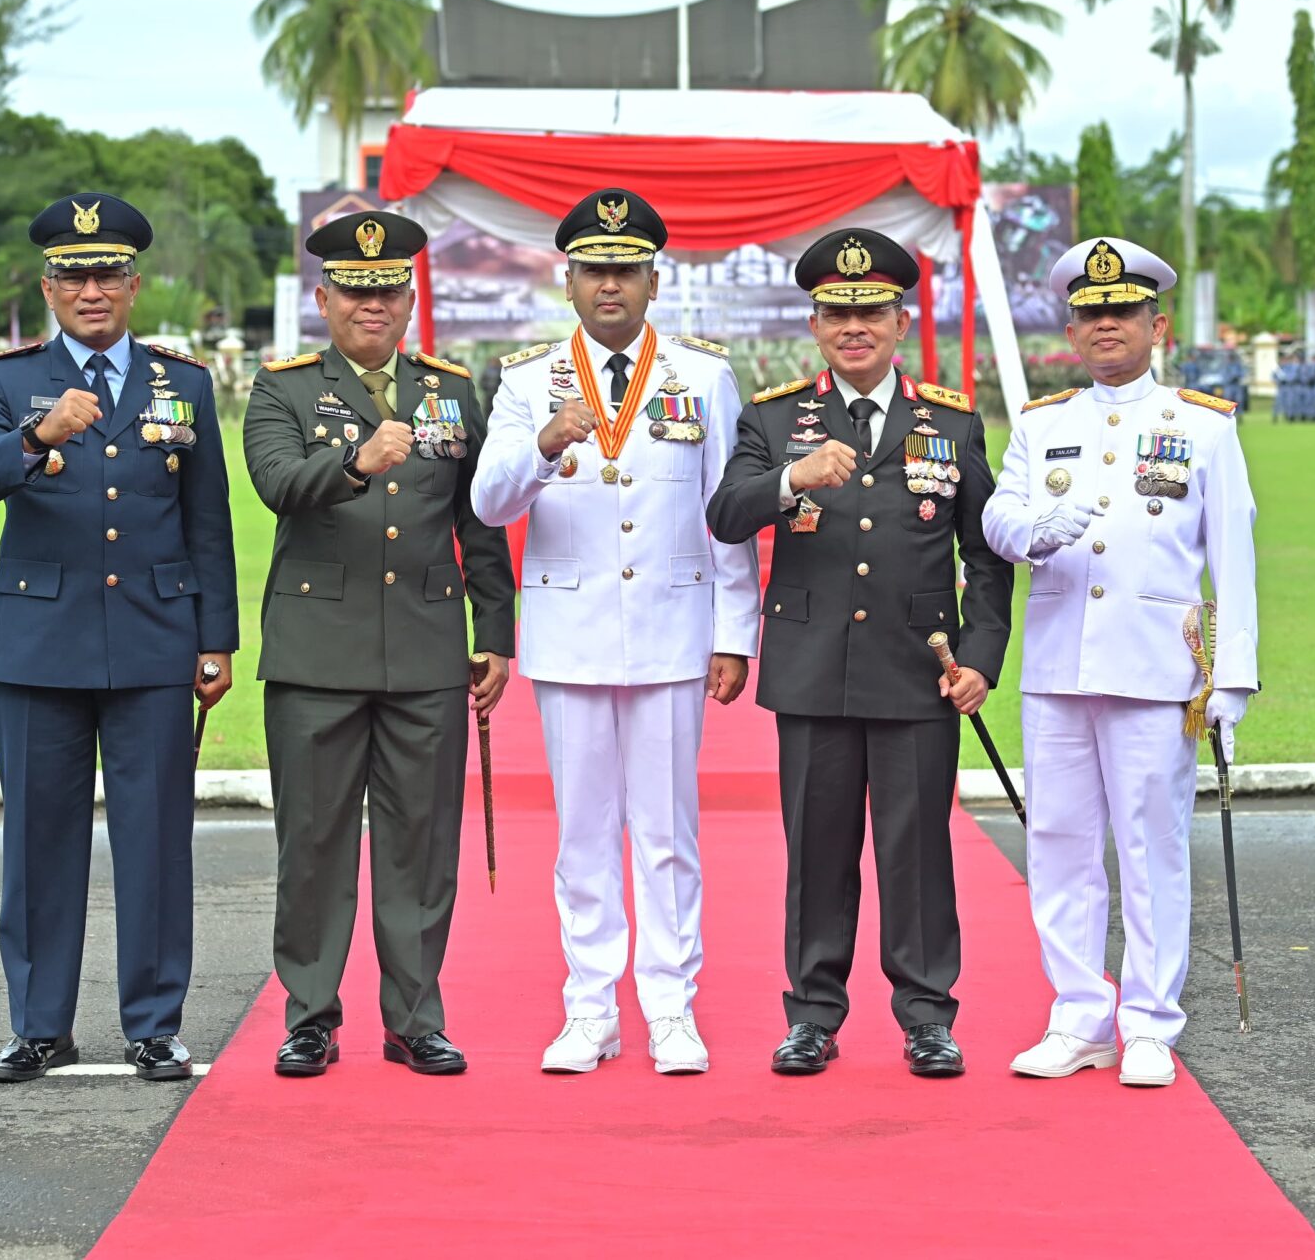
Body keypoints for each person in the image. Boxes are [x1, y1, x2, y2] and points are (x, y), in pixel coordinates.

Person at [708, 228, 1012, 1078]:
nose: (855, 327)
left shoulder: (947, 419)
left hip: (922, 668)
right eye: (838, 312)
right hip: (811, 671)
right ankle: (812, 1014)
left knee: (918, 856)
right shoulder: (775, 416)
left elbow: (984, 553)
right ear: (814, 321)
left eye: (871, 311)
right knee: (816, 855)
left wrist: (983, 655)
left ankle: (927, 1016)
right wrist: (791, 479)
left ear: (901, 319)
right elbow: (726, 514)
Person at [470, 189, 759, 1076]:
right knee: (583, 833)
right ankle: (590, 1007)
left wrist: (735, 629)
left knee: (667, 830)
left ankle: (671, 1005)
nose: (609, 285)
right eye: (594, 269)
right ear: (567, 280)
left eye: (625, 270)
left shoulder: (703, 376)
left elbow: (729, 514)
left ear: (654, 280)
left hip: (674, 628)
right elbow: (487, 503)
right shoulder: (526, 382)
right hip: (571, 629)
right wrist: (543, 444)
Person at [0, 192, 235, 1084]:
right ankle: (41, 1025)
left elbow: (208, 520)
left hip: (154, 638)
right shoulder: (2, 380)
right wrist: (40, 432)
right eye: (74, 275)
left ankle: (154, 1023)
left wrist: (215, 638)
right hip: (41, 643)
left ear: (135, 283)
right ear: (47, 286)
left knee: (155, 840)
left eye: (107, 273)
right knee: (40, 842)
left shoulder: (180, 382)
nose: (92, 290)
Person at [981, 237, 1260, 1089]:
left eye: (1124, 312)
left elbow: (1233, 557)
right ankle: (1078, 1015)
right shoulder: (1041, 422)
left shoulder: (1203, 426)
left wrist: (1232, 679)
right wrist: (1031, 533)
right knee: (1060, 845)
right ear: (1071, 327)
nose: (1107, 325)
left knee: (1151, 847)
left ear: (1156, 323)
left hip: (1153, 672)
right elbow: (997, 516)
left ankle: (1147, 1020)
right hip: (1060, 669)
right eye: (1091, 313)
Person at [243, 210, 515, 1078]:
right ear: (323, 297)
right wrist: (359, 461)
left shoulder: (450, 389)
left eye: (388, 290)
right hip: (316, 654)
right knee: (315, 844)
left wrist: (494, 631)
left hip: (428, 651)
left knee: (421, 845)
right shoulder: (281, 388)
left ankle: (414, 1018)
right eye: (355, 290)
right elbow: (278, 484)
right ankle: (311, 1017)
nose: (373, 304)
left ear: (409, 298)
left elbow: (477, 523)